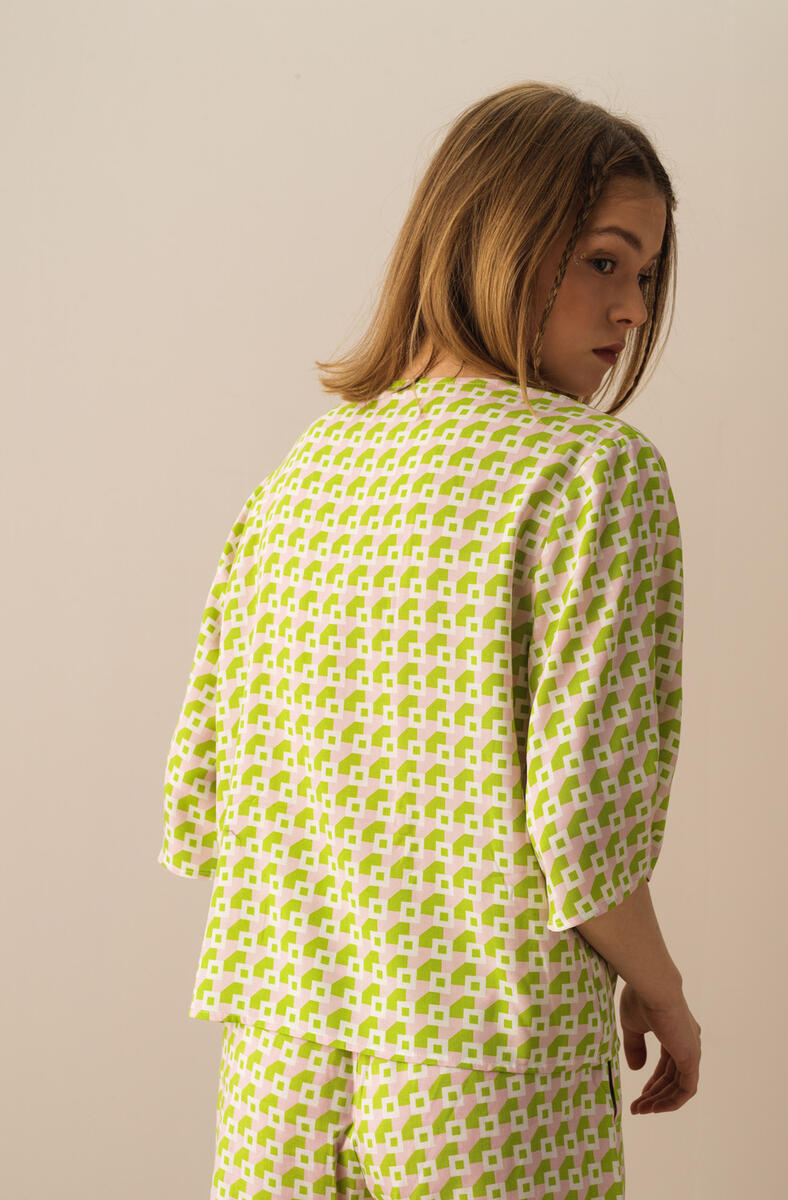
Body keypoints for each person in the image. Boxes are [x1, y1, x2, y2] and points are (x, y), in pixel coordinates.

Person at [158, 79, 701, 1199]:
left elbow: (212, 786)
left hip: (277, 1070)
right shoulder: (591, 472)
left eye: (645, 275)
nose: (633, 311)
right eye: (604, 262)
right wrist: (664, 990)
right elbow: (585, 825)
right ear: (501, 241)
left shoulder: (307, 473)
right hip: (487, 1073)